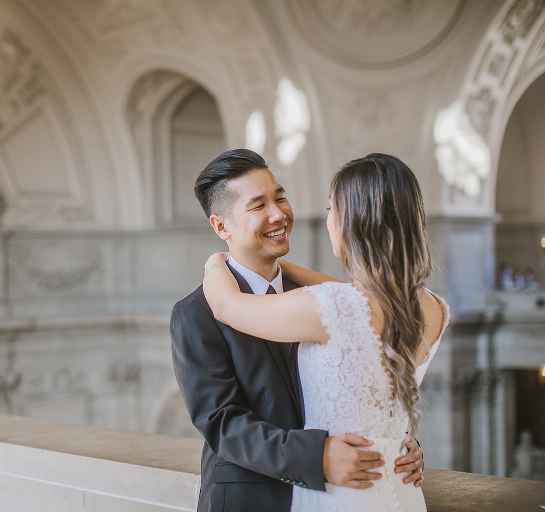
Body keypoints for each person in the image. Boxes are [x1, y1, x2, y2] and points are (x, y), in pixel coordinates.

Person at [170, 149, 424, 512]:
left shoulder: (323, 299)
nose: (279, 214)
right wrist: (315, 457)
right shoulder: (195, 313)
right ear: (222, 227)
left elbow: (369, 381)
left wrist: (396, 443)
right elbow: (222, 423)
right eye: (258, 205)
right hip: (253, 500)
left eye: (280, 197)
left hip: (343, 495)